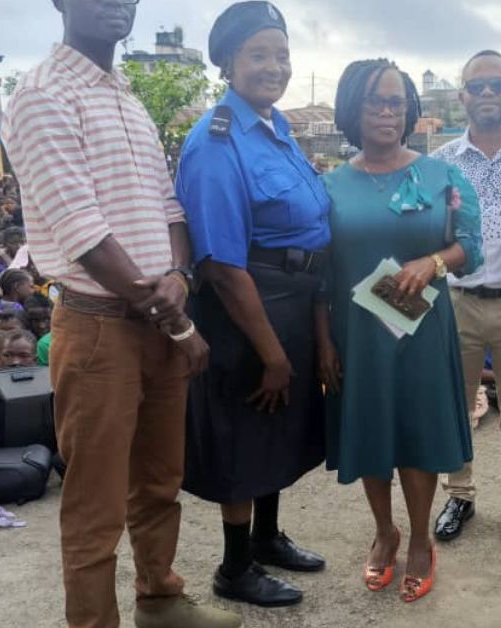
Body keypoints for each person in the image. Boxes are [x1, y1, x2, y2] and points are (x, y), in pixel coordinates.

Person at [2, 0, 229, 625]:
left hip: (156, 321)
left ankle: (159, 598)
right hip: (100, 327)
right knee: (95, 505)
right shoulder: (43, 94)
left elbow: (169, 207)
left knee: (159, 479)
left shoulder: (124, 95)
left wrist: (180, 276)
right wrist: (178, 321)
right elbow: (81, 232)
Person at [175, 2, 328, 608]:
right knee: (243, 434)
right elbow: (220, 264)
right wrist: (270, 352)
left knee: (276, 427)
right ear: (229, 63)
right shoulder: (216, 139)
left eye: (283, 55)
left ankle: (266, 539)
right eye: (260, 55)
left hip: (291, 304)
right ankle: (235, 567)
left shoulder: (278, 127)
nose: (275, 66)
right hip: (246, 314)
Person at [318, 58, 482, 604]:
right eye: (374, 101)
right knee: (370, 433)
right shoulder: (330, 186)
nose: (388, 112)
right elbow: (321, 270)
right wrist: (323, 339)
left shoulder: (444, 177)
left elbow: (471, 251)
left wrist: (431, 262)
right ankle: (383, 531)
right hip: (358, 332)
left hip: (420, 329)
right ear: (352, 110)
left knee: (416, 434)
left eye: (397, 101)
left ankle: (418, 540)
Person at [429, 49, 501, 548]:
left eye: (499, 84)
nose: (489, 94)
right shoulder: (440, 164)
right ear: (462, 98)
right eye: (478, 86)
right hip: (458, 303)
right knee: (455, 406)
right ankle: (460, 493)